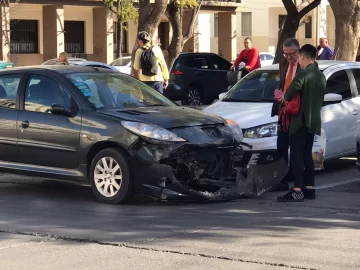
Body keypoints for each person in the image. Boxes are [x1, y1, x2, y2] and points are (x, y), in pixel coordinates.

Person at [277, 44, 326, 202]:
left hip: (299, 120)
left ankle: (297, 189)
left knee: (296, 155)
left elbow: (289, 94)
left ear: (303, 57)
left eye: (299, 58)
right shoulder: (320, 75)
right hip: (314, 121)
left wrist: (282, 97)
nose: (298, 61)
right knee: (307, 155)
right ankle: (309, 188)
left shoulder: (303, 74)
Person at [270, 38, 301, 192]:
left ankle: (298, 181)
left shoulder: (306, 65)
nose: (289, 57)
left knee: (296, 148)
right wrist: (278, 95)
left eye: (291, 54)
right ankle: (281, 179)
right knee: (281, 146)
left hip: (297, 112)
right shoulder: (283, 64)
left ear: (298, 51)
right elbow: (281, 83)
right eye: (286, 54)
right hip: (283, 111)